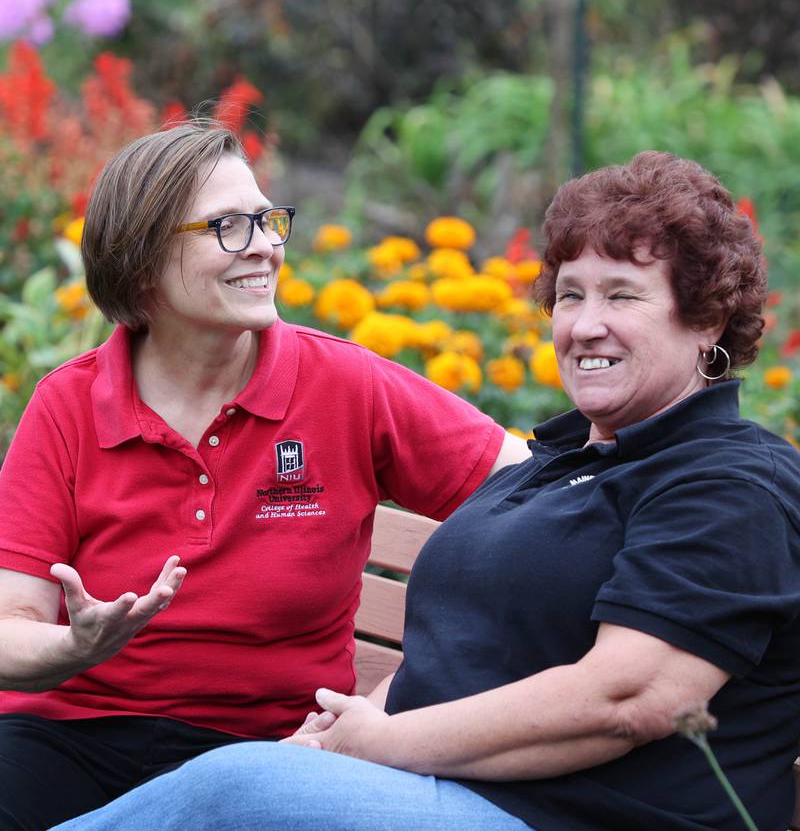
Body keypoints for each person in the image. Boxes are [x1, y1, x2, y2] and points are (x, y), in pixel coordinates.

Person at [53, 150, 800, 831]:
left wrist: (380, 743)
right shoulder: (557, 464)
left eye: (623, 296)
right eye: (570, 295)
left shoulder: (729, 481)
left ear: (706, 318)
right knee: (251, 780)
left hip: (573, 817)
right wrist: (335, 738)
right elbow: (446, 660)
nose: (586, 325)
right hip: (445, 796)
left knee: (237, 790)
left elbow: (630, 699)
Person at [0, 121, 529, 831]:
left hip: (272, 754)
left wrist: (407, 683)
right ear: (141, 263)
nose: (265, 246)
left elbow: (534, 493)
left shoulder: (345, 385)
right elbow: (10, 626)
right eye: (225, 226)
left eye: (266, 220)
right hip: (67, 740)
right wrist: (74, 646)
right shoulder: (68, 405)